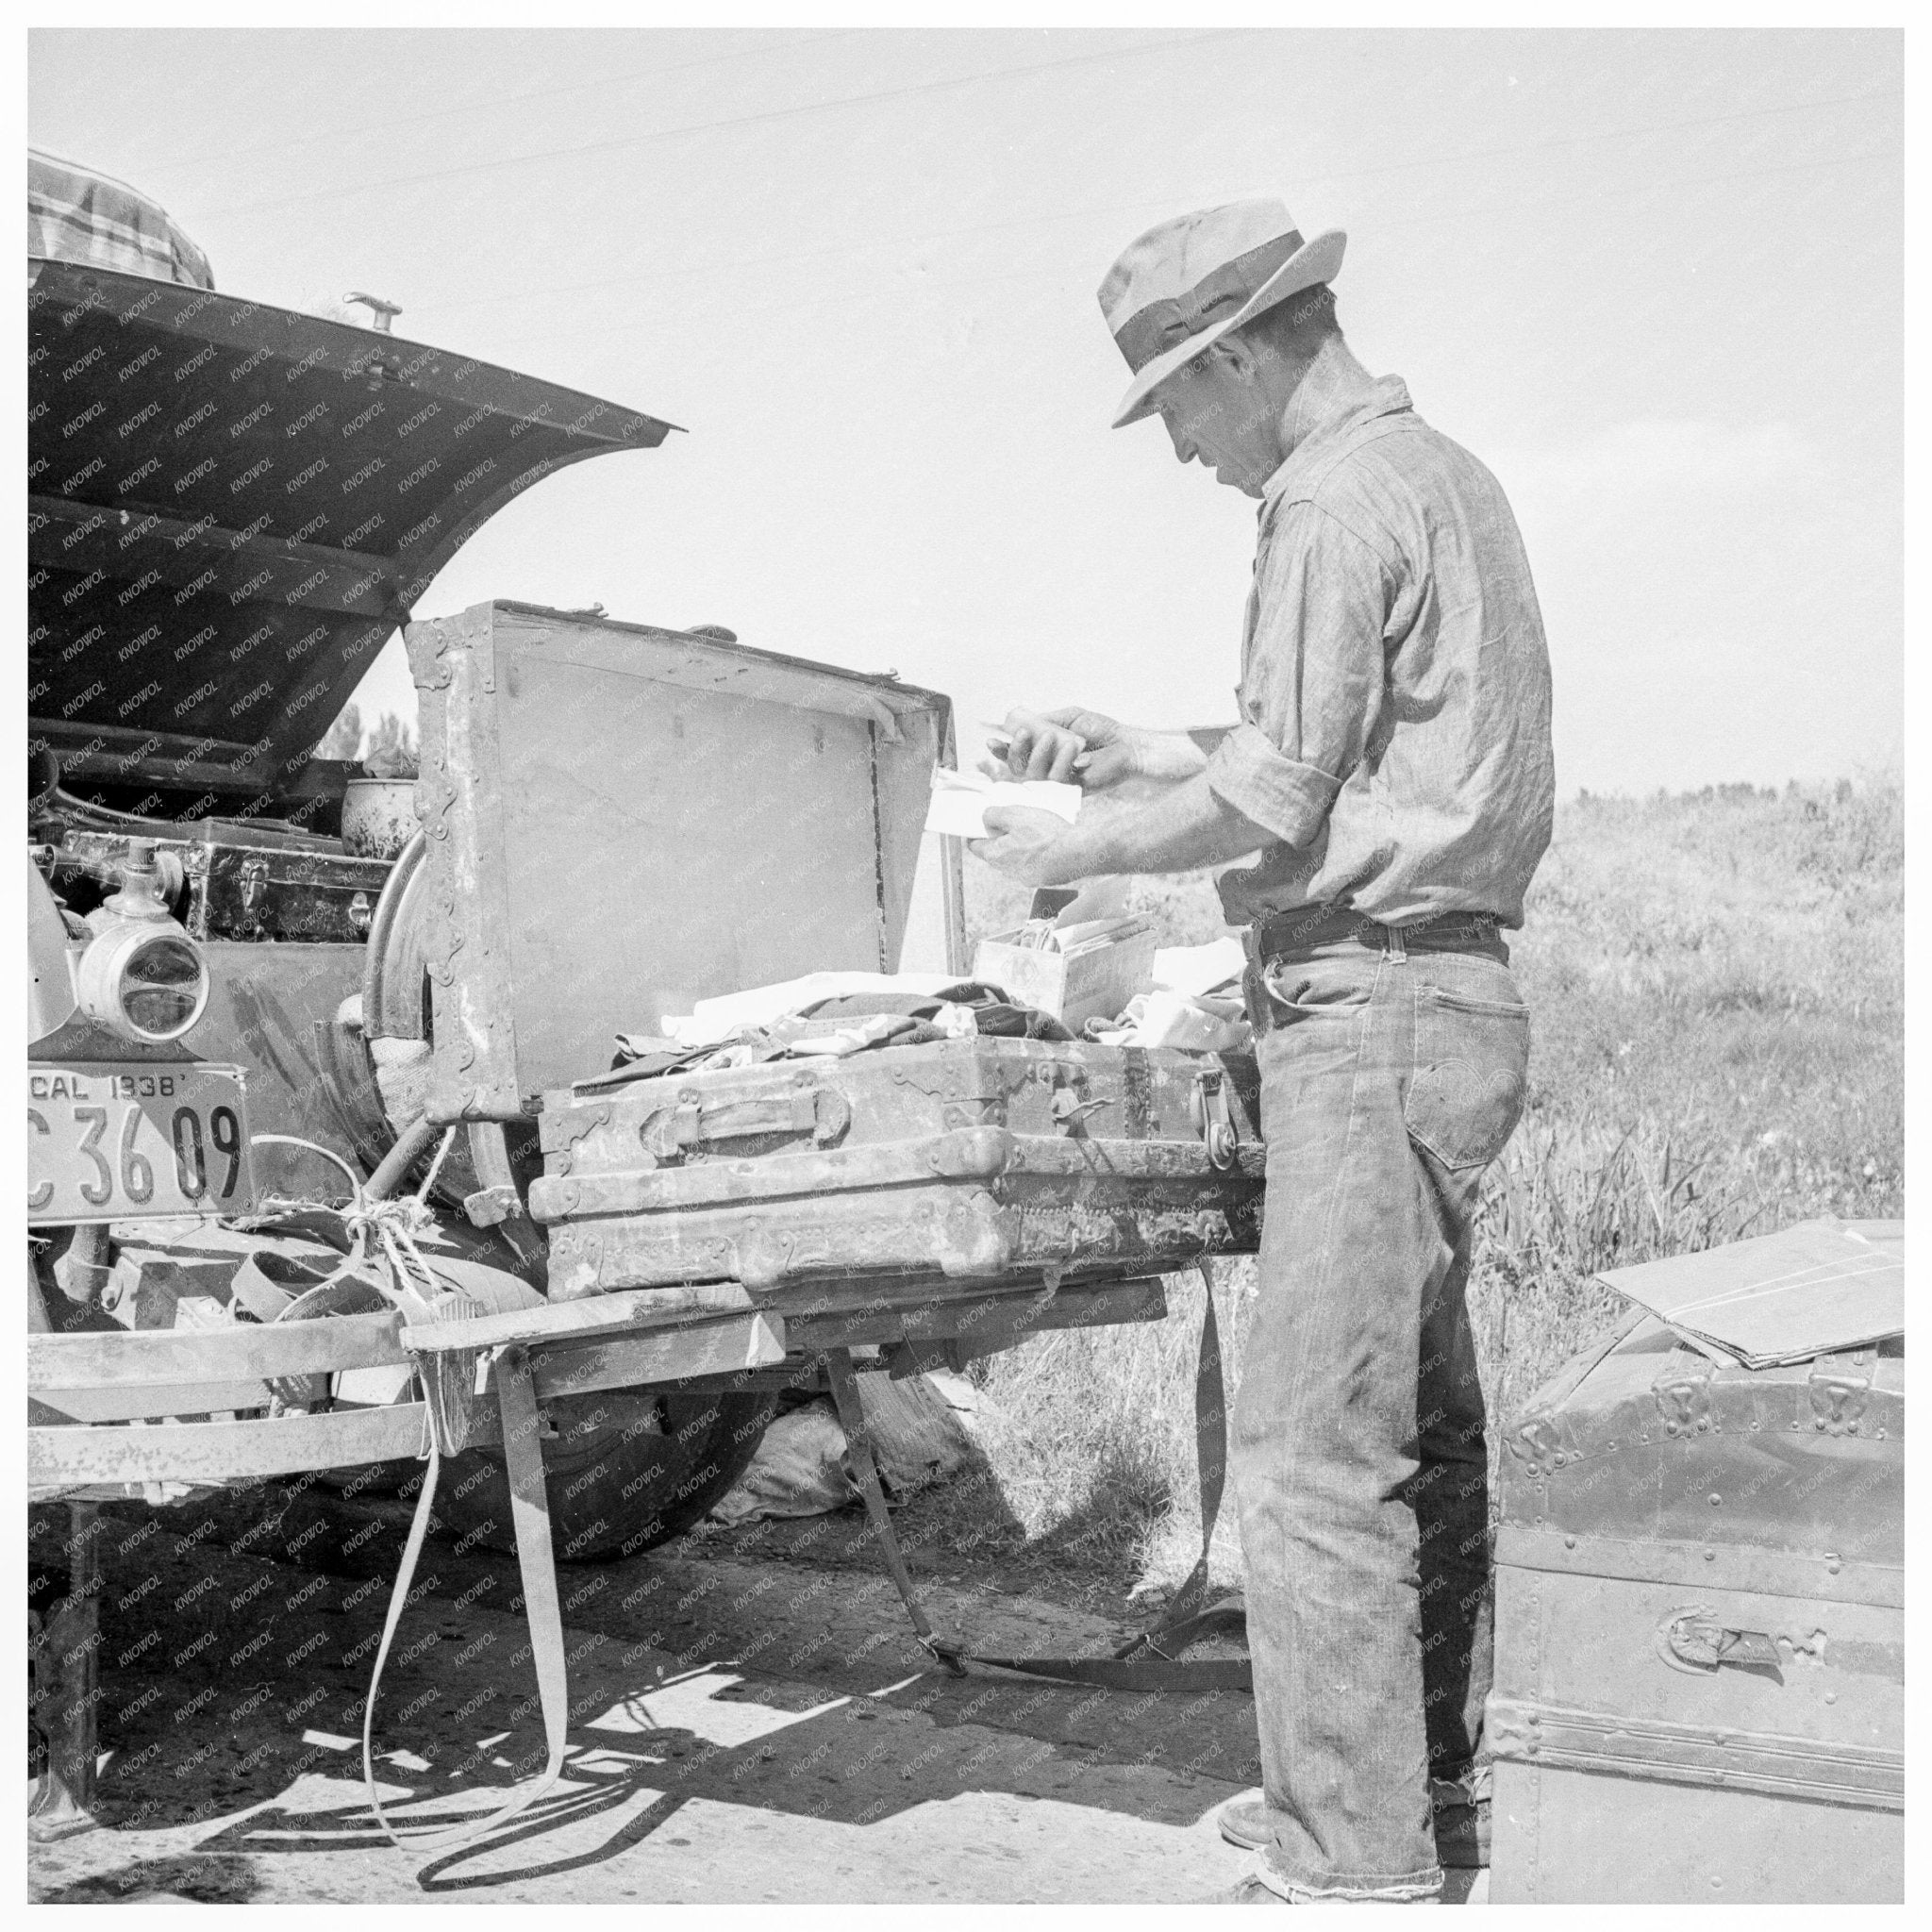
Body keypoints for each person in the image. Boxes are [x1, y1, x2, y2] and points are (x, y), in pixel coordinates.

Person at [971, 196, 1555, 1905]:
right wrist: (1131, 742)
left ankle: (1348, 1863)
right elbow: (1345, 751)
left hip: (1365, 1015)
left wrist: (1055, 850)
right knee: (1418, 1440)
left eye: (1177, 408)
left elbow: (1268, 800)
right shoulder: (1434, 475)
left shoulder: (1323, 497)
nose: (1183, 453)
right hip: (1450, 1004)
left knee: (1311, 1467)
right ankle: (1425, 1797)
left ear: (1235, 354)